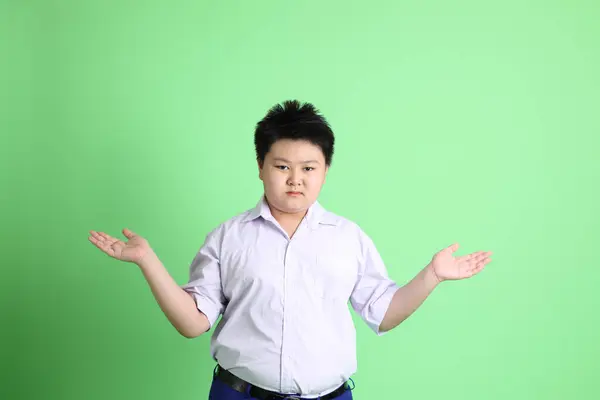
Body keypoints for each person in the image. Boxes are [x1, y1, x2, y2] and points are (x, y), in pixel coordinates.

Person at [88, 100, 493, 400]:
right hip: (240, 394)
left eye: (309, 168)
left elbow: (384, 314)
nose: (295, 179)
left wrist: (433, 276)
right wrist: (146, 260)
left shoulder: (347, 237)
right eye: (282, 166)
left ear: (325, 170)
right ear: (261, 165)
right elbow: (193, 323)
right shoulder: (229, 237)